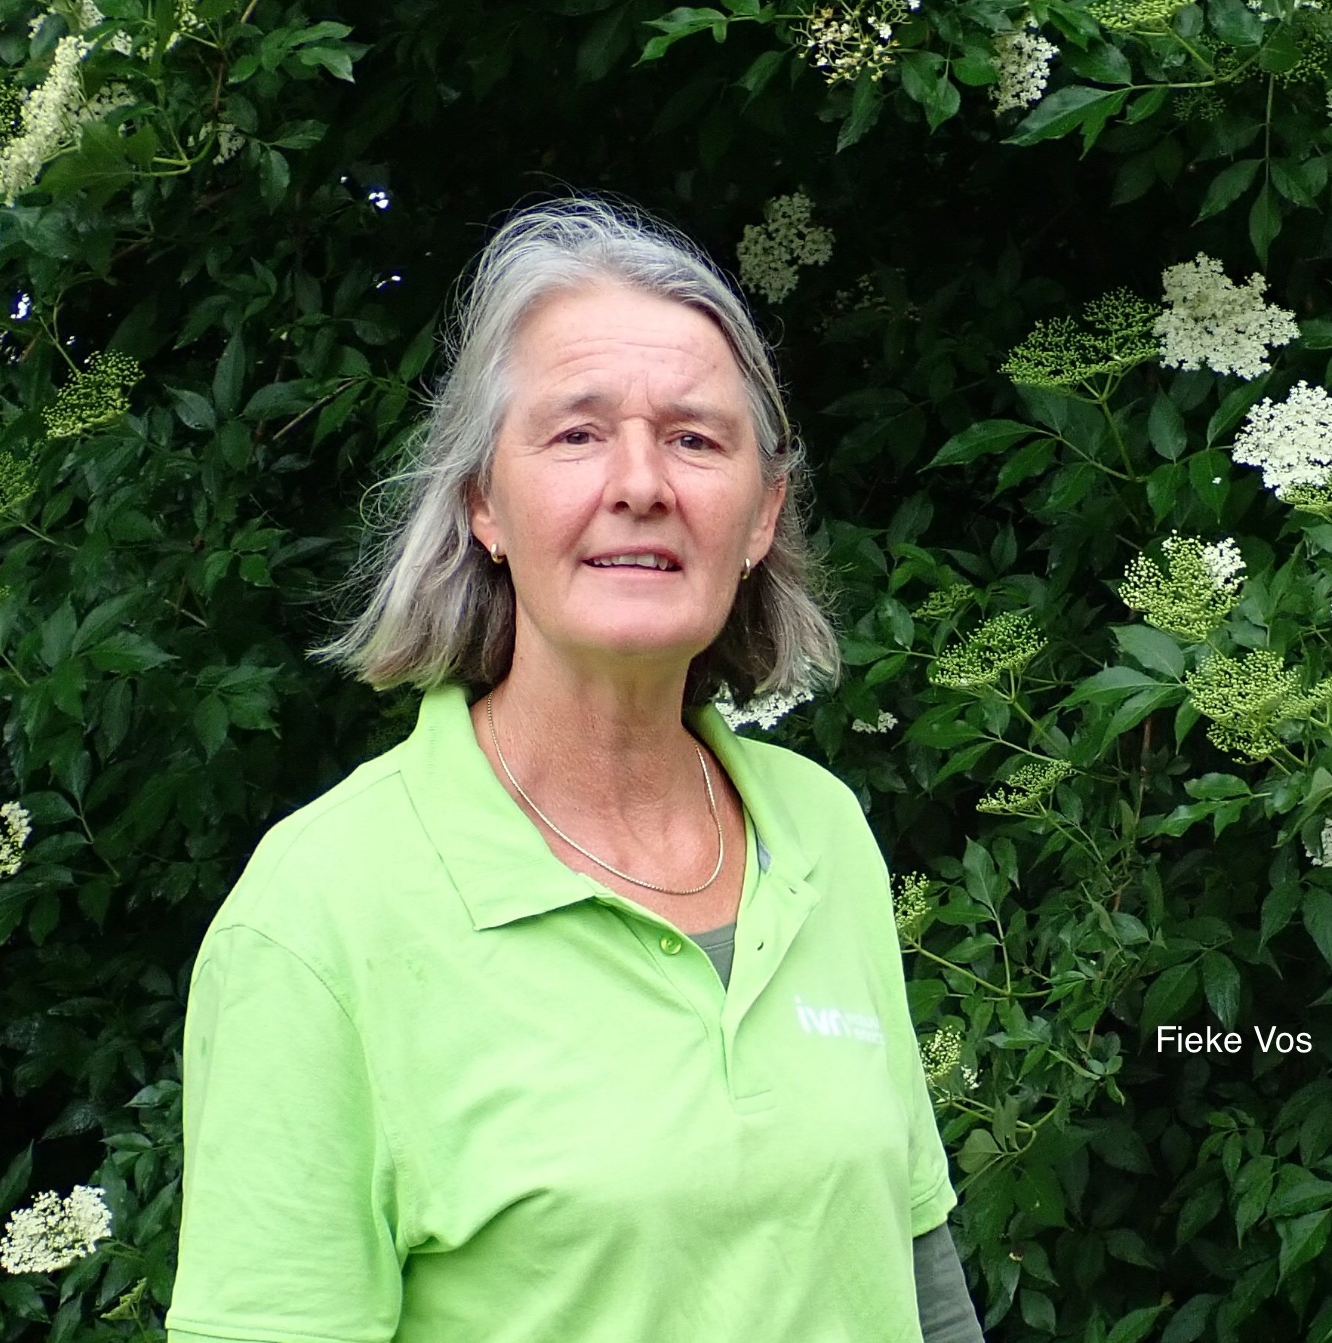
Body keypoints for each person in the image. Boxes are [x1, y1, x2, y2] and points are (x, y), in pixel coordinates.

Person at [165, 195, 985, 1343]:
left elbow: (917, 1286)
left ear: (761, 514)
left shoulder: (822, 831)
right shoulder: (318, 916)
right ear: (483, 505)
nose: (641, 481)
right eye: (576, 433)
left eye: (695, 437)